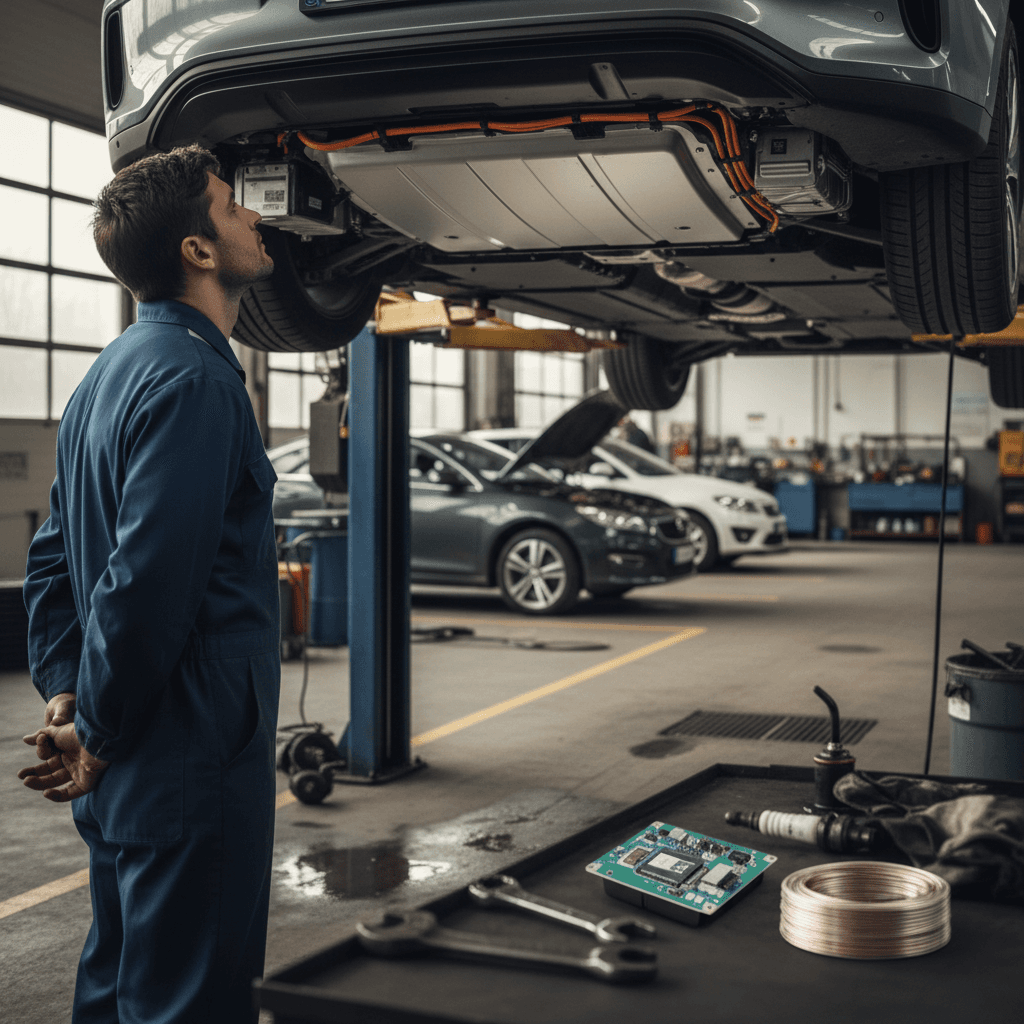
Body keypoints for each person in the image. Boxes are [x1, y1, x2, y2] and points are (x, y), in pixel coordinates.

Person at [18, 145, 280, 1024]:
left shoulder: (103, 378)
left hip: (128, 755)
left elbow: (51, 560)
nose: (254, 218)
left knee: (121, 975)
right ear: (198, 251)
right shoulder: (197, 379)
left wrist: (68, 696)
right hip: (185, 746)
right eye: (233, 208)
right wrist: (97, 724)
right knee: (190, 996)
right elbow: (146, 583)